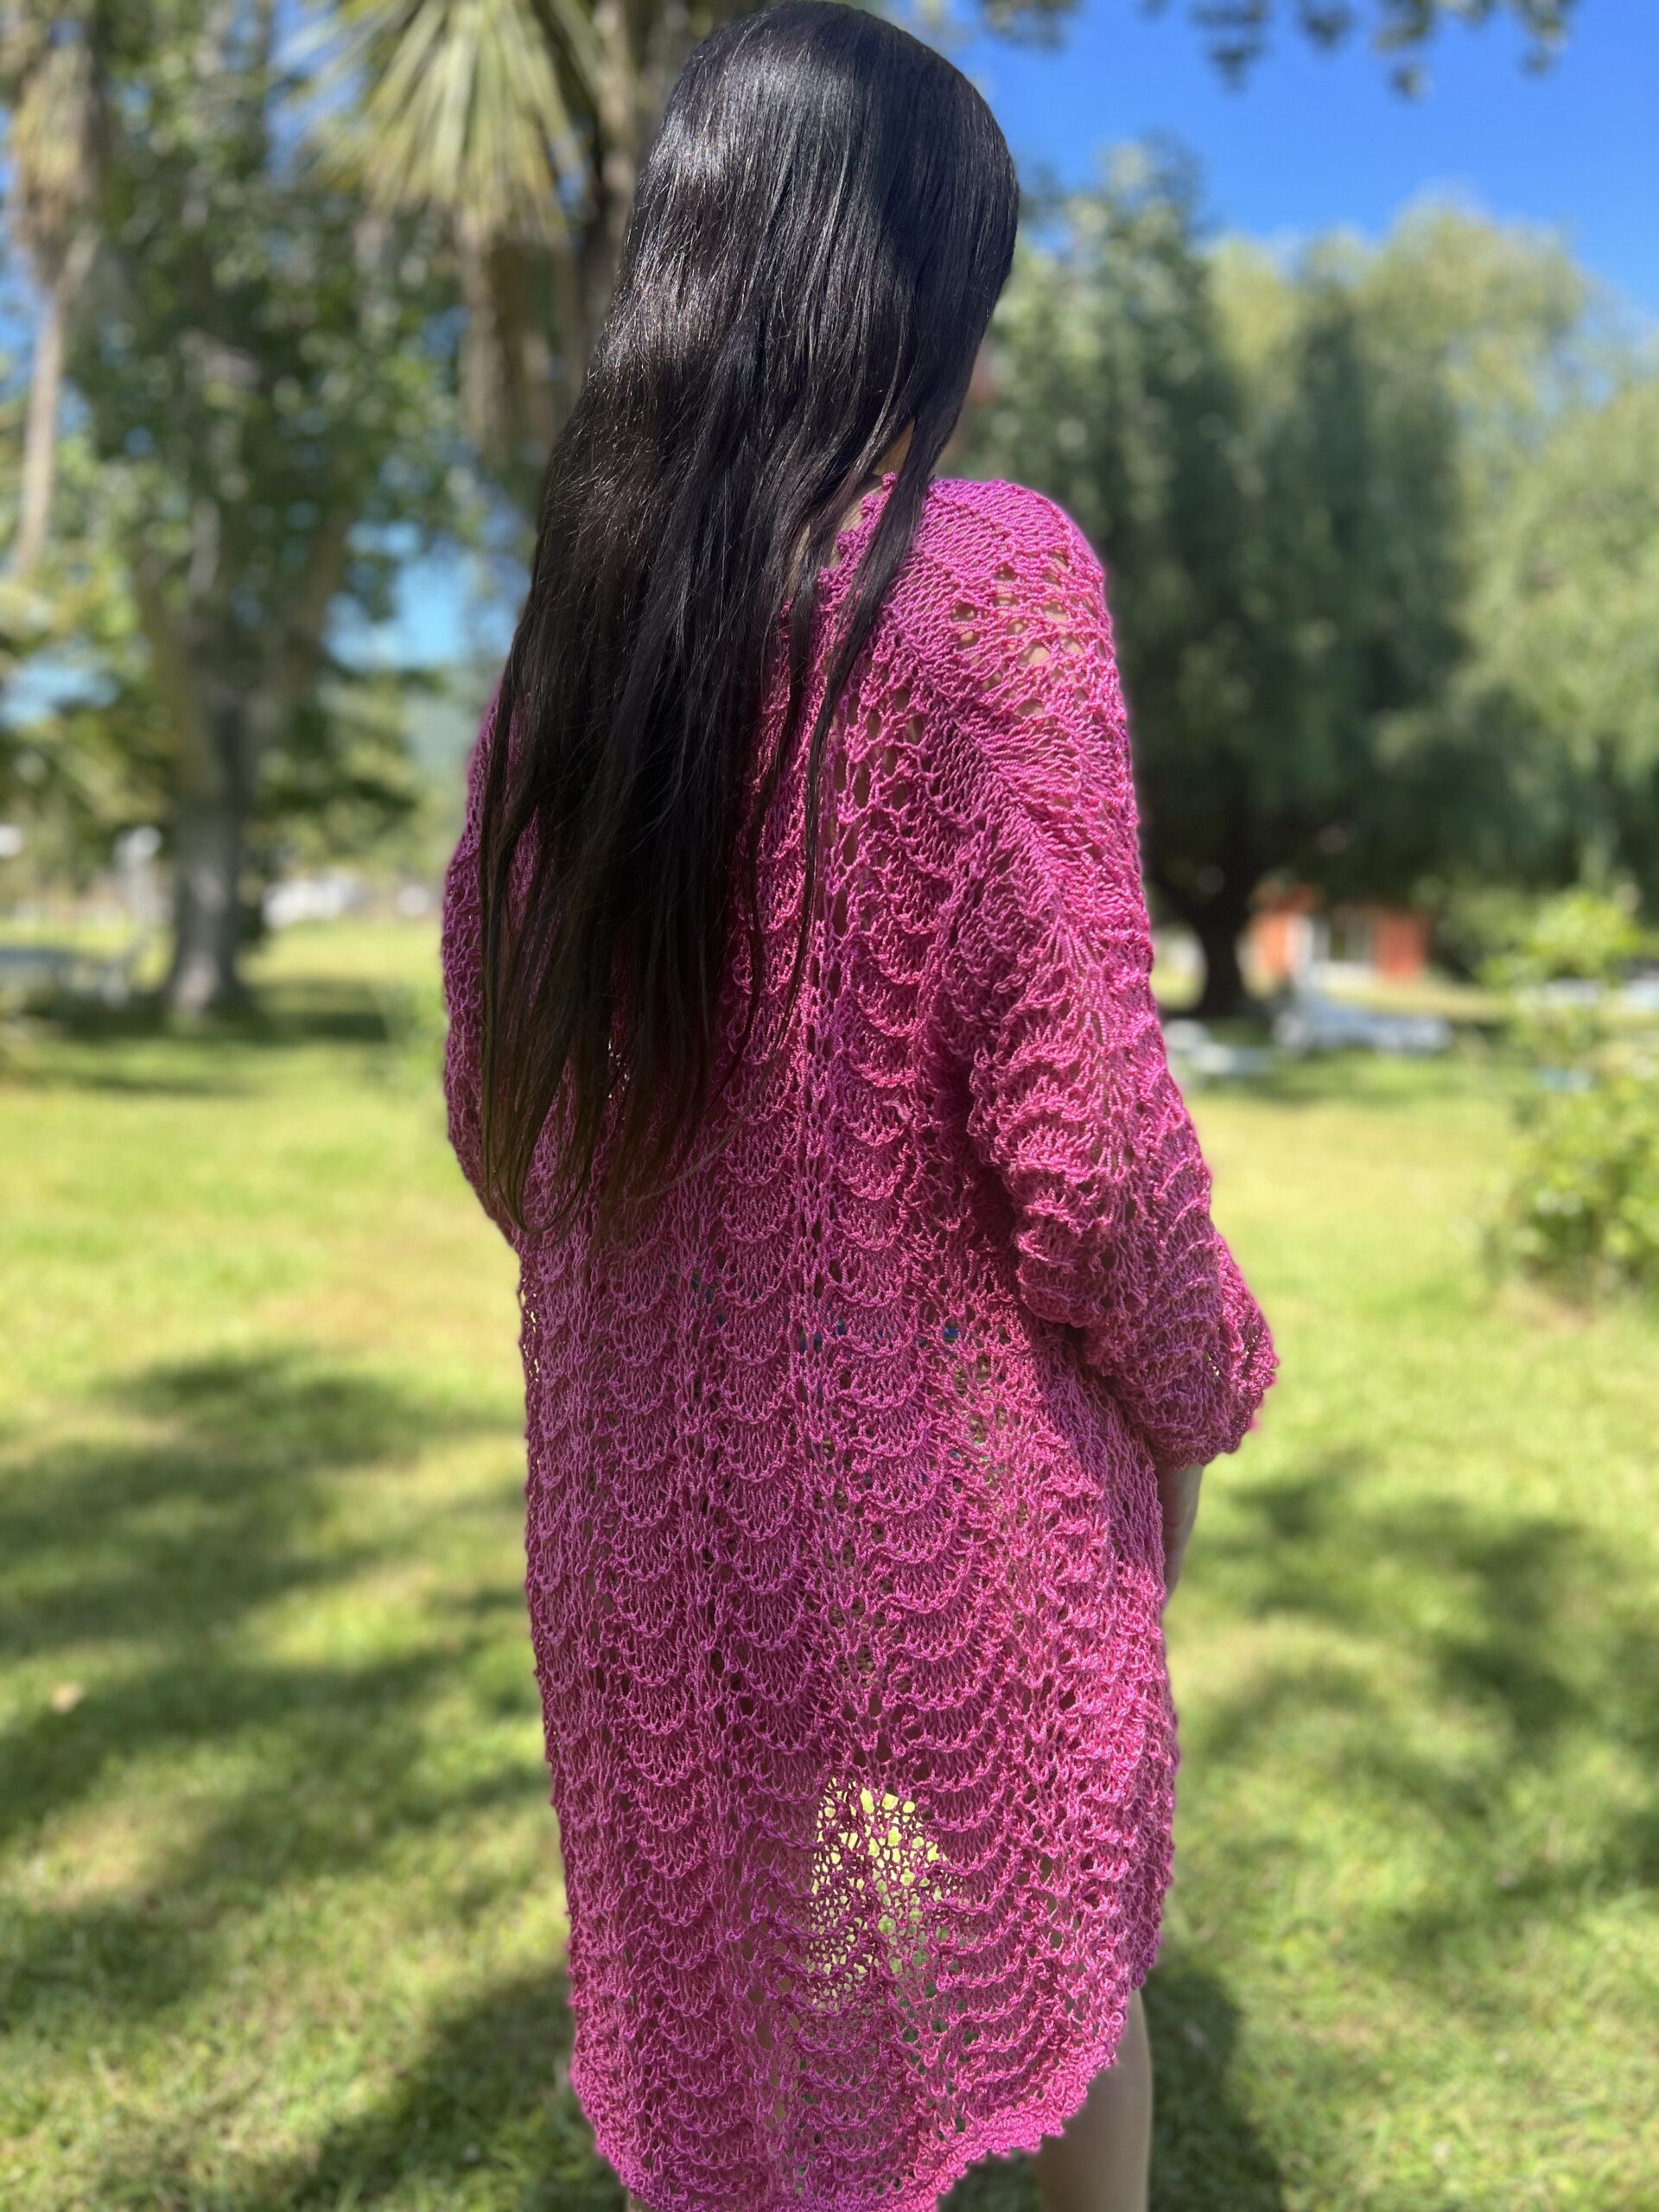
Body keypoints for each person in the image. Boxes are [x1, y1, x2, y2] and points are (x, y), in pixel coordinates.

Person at [439, 7, 1276, 2210]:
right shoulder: (986, 583)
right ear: (910, 304)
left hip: (641, 1525)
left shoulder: (559, 672)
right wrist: (1202, 1380)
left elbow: (496, 1102)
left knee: (774, 2004)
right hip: (952, 1513)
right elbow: (1090, 1135)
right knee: (1070, 1964)